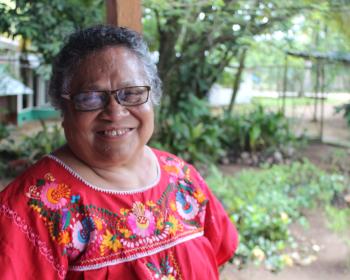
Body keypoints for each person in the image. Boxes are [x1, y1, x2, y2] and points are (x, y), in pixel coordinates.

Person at [0, 25, 238, 279]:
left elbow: (217, 253)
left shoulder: (182, 178)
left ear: (152, 97)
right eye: (91, 98)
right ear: (64, 108)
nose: (115, 112)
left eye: (132, 93)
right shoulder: (33, 206)